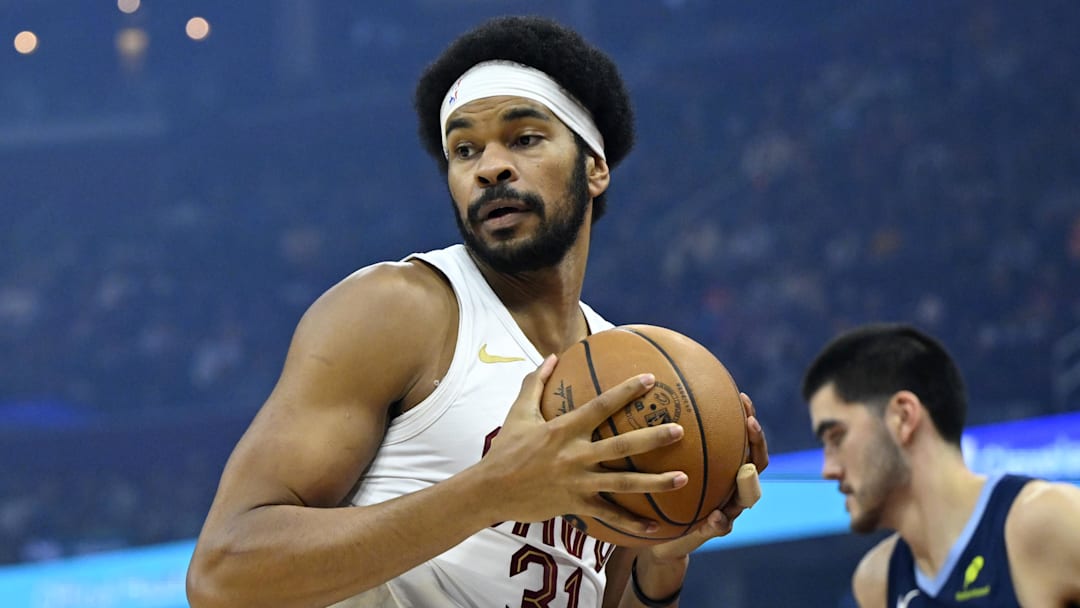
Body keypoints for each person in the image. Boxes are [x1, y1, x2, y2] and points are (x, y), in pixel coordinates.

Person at [186, 15, 768, 608]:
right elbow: (224, 574)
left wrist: (662, 560)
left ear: (594, 167)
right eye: (464, 150)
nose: (489, 167)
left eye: (524, 138)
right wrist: (491, 491)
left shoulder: (620, 371)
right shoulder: (400, 309)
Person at [801, 323, 1080, 607]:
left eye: (837, 437)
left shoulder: (1047, 520)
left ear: (903, 417)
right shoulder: (877, 581)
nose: (828, 469)